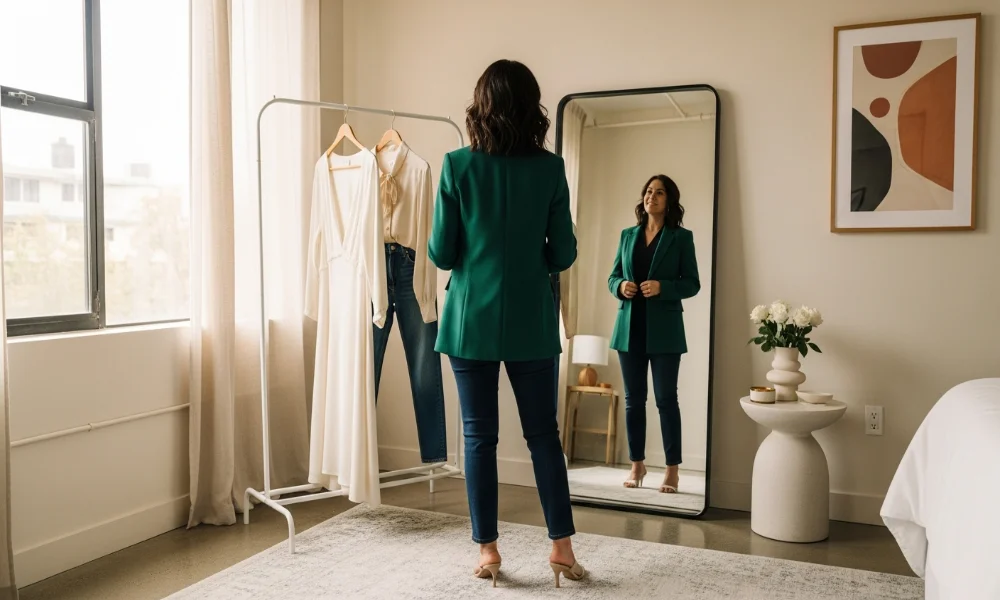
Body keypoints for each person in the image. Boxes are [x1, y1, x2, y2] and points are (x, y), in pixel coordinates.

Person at [428, 59, 585, 588]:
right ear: (531, 107)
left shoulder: (455, 166)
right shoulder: (549, 168)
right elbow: (562, 253)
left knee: (478, 437)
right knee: (544, 436)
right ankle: (561, 548)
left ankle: (488, 551)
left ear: (482, 107)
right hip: (531, 320)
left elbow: (442, 254)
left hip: (470, 318)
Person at [607, 174, 700, 495]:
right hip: (628, 329)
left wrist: (663, 287)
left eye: (659, 192)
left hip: (665, 332)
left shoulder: (681, 238)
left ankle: (672, 469)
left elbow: (692, 283)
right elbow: (613, 276)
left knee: (665, 400)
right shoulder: (627, 235)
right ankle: (637, 464)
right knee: (634, 401)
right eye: (648, 191)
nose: (652, 196)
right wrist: (620, 286)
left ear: (669, 200)